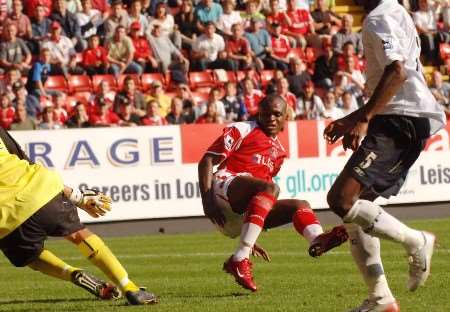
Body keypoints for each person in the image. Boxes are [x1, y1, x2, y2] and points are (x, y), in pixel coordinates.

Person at [320, 0, 447, 310]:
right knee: (355, 214)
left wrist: (364, 119)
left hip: (398, 120)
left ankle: (417, 242)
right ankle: (381, 299)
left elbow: (397, 71)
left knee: (341, 200)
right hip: (398, 117)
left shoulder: (380, 16)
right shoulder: (393, 11)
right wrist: (357, 116)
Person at [198, 94, 348, 292]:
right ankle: (239, 258)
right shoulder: (243, 129)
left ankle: (318, 239)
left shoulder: (279, 152)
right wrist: (207, 201)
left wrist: (250, 237)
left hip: (237, 220)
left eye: (276, 114)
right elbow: (207, 161)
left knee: (300, 205)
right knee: (271, 189)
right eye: (266, 114)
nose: (271, 118)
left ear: (285, 117)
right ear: (258, 114)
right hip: (223, 190)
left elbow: (261, 202)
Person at [0, 125, 158, 304]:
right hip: (38, 189)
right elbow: (24, 160)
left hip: (5, 216)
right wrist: (78, 197)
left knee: (32, 258)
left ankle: (72, 273)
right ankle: (129, 287)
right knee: (79, 235)